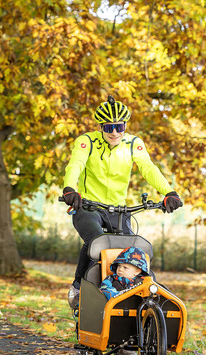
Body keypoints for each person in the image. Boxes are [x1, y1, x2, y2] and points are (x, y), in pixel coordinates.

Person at [61, 95, 183, 310]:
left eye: (119, 126)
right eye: (109, 127)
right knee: (97, 241)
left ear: (125, 125)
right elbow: (75, 165)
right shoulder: (86, 142)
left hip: (119, 209)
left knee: (131, 251)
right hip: (88, 206)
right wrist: (70, 189)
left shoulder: (134, 144)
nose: (115, 132)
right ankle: (78, 288)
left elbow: (148, 168)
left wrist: (169, 192)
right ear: (101, 127)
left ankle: (131, 294)